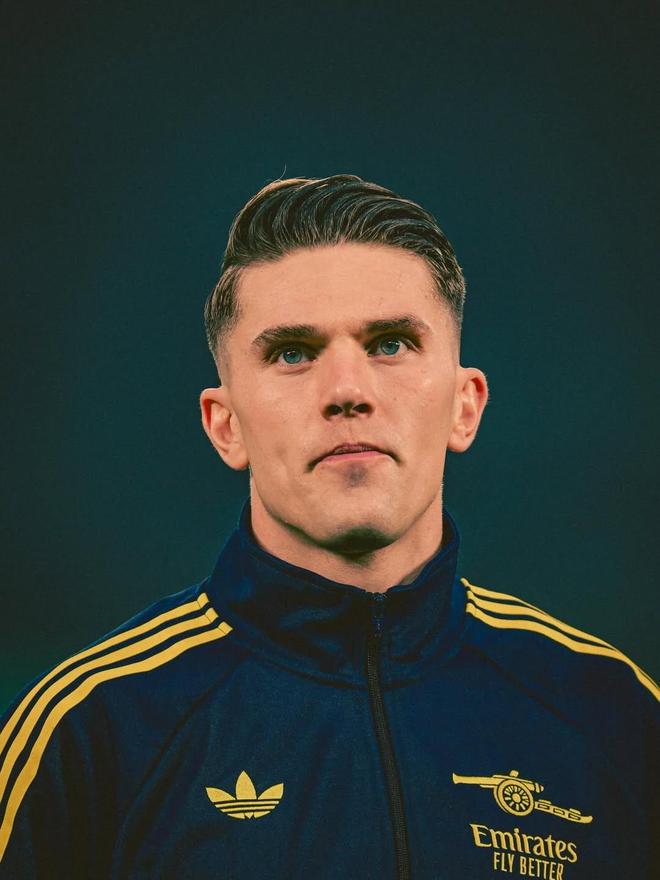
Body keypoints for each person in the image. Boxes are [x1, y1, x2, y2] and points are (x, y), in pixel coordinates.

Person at [0, 174, 657, 879]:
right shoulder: (89, 733)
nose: (347, 391)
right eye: (292, 353)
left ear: (464, 406)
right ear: (225, 425)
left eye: (391, 344)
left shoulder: (615, 713)